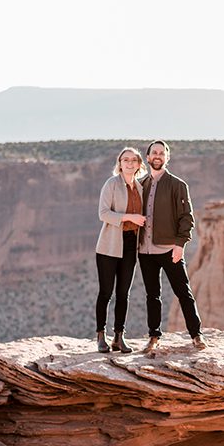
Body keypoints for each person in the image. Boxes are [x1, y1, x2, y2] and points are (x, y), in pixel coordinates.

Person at [138, 140, 205, 352]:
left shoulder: (178, 185)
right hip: (145, 250)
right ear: (148, 158)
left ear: (167, 158)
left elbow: (187, 218)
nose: (157, 156)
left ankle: (196, 335)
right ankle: (154, 336)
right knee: (152, 295)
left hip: (169, 249)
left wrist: (180, 244)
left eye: (161, 153)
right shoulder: (140, 184)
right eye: (154, 153)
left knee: (183, 292)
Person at [95, 147, 147, 353]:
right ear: (119, 163)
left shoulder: (141, 188)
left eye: (133, 160)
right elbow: (103, 214)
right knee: (106, 292)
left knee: (123, 293)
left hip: (130, 245)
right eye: (125, 160)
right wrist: (129, 217)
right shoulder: (112, 184)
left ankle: (119, 337)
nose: (129, 163)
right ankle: (100, 336)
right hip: (109, 245)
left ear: (139, 164)